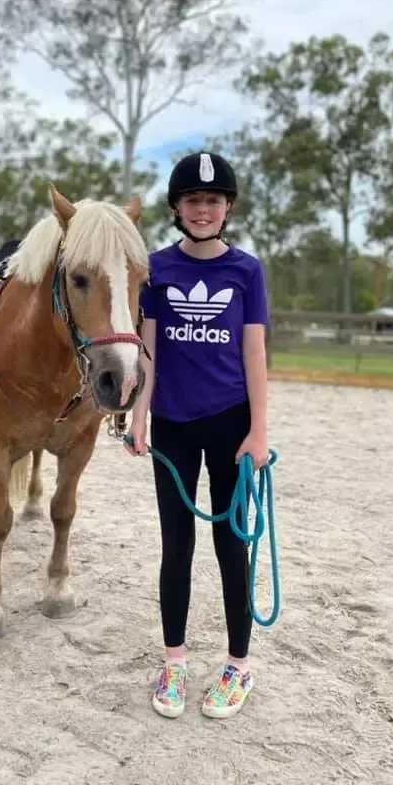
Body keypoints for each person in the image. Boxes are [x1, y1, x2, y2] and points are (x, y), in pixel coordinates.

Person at [126, 150, 270, 720]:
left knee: (231, 546)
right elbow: (149, 348)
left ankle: (238, 665)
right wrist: (139, 413)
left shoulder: (247, 271)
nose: (203, 209)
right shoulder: (157, 269)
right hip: (174, 425)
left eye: (213, 200)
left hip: (230, 422)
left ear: (227, 207)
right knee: (176, 546)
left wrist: (259, 430)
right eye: (193, 201)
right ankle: (176, 661)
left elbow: (254, 351)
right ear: (178, 208)